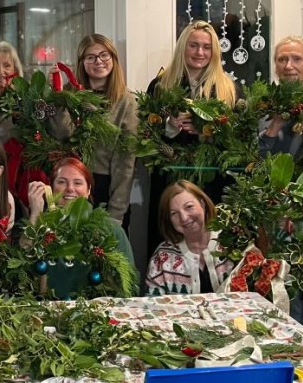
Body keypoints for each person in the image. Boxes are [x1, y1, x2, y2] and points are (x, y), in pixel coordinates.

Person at [146, 21, 240, 253]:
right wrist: (170, 126)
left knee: (213, 246)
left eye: (207, 47)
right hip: (170, 181)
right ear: (183, 48)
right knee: (171, 244)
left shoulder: (229, 89)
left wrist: (209, 132)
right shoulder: (161, 86)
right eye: (193, 45)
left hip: (213, 183)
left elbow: (239, 143)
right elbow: (145, 138)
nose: (200, 52)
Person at [25, 157, 136, 298]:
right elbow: (19, 273)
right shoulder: (37, 225)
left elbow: (129, 286)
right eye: (61, 182)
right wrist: (35, 215)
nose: (70, 188)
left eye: (77, 183)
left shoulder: (111, 229)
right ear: (51, 189)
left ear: (88, 190)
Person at [74, 34, 138, 227]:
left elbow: (126, 162)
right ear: (82, 63)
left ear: (113, 59)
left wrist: (116, 212)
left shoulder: (127, 102)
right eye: (91, 57)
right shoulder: (71, 95)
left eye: (104, 55)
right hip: (72, 185)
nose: (98, 61)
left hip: (106, 188)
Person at [144, 180, 233, 295]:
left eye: (189, 207)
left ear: (203, 204)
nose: (184, 218)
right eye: (174, 213)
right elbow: (151, 302)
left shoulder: (230, 241)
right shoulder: (162, 256)